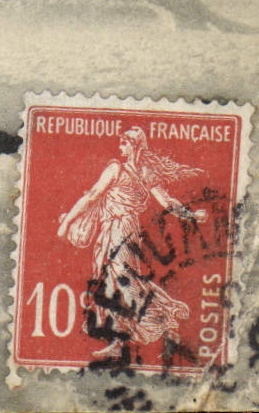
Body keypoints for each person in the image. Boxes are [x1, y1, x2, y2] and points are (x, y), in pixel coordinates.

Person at [57, 128, 207, 359]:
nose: (120, 148)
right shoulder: (133, 171)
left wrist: (66, 223)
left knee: (119, 282)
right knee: (120, 282)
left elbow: (94, 196)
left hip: (120, 230)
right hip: (118, 230)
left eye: (124, 144)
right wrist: (191, 215)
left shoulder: (125, 170)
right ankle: (160, 331)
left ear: (135, 145)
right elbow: (94, 196)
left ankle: (132, 336)